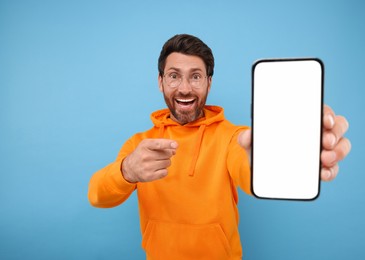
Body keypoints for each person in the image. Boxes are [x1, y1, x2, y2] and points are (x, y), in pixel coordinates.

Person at [88, 34, 351, 260]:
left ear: (209, 83)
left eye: (196, 76)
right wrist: (127, 171)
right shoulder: (140, 145)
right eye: (173, 76)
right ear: (160, 82)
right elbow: (97, 195)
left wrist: (277, 159)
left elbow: (247, 166)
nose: (184, 88)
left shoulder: (232, 138)